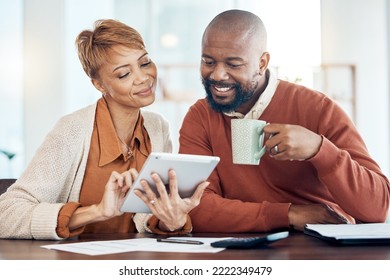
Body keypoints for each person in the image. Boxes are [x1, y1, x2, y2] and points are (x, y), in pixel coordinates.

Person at [179, 9, 390, 233]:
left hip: (320, 247)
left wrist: (319, 149)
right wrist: (289, 214)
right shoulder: (200, 116)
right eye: (208, 61)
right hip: (242, 248)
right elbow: (195, 208)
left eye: (233, 64)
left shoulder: (317, 108)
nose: (217, 75)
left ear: (262, 63)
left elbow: (377, 208)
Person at [0, 19, 207, 239]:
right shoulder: (71, 131)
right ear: (99, 84)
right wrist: (96, 212)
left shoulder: (157, 127)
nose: (143, 78)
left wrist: (170, 221)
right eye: (124, 74)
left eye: (145, 63)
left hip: (133, 263)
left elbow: (143, 216)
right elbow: (6, 215)